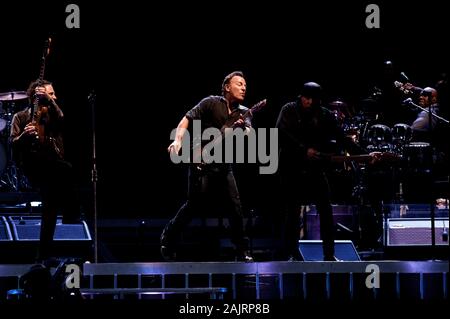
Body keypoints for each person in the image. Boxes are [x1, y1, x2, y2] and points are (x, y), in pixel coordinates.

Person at [276, 82, 379, 261]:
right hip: (291, 167)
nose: (308, 102)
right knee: (292, 211)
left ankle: (329, 254)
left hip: (315, 168)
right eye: (306, 98)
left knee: (325, 209)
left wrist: (364, 154)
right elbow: (281, 134)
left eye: (312, 99)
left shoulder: (324, 114)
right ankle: (291, 253)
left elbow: (341, 138)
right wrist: (303, 150)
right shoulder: (289, 110)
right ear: (301, 97)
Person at [161, 71, 253, 262]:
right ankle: (168, 240)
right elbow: (187, 118)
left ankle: (242, 249)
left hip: (224, 166)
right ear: (227, 87)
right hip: (201, 162)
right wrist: (177, 141)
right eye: (239, 83)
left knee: (235, 207)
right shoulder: (211, 102)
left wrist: (243, 130)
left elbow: (248, 132)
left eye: (245, 84)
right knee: (193, 206)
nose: (244, 87)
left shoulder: (244, 112)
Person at [10, 79, 80, 262]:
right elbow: (12, 143)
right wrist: (24, 136)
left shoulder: (52, 117)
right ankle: (71, 212)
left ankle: (43, 255)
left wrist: (49, 100)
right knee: (65, 169)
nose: (55, 97)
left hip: (53, 170)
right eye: (51, 93)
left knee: (50, 206)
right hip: (34, 168)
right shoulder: (20, 117)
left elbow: (62, 118)